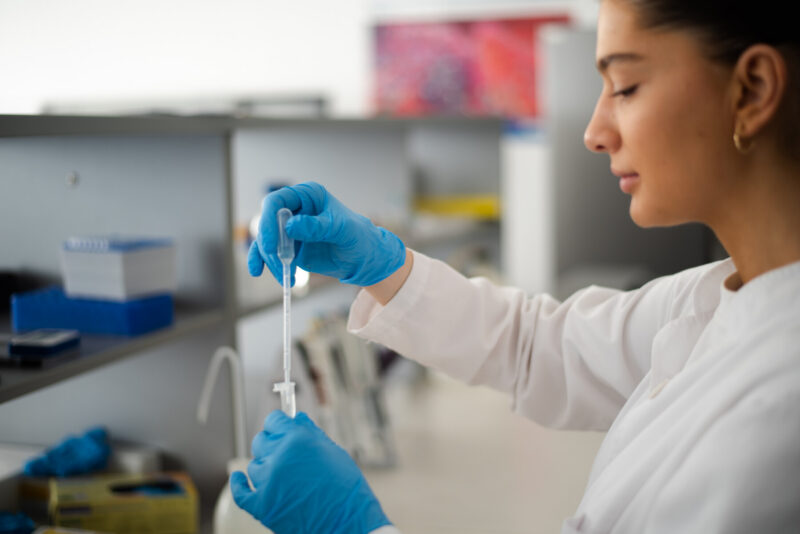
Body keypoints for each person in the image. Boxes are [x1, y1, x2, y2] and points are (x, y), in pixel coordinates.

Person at [231, 0, 800, 532]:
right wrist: (383, 265)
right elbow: (540, 345)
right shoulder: (718, 297)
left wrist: (355, 528)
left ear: (751, 90)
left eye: (625, 86)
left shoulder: (778, 418)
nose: (594, 133)